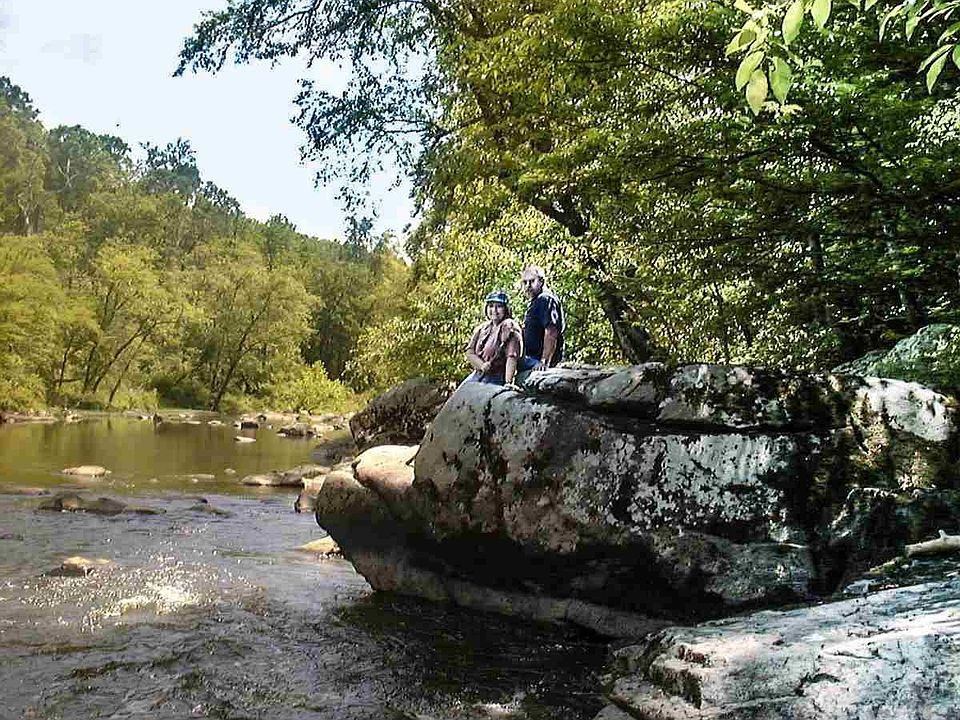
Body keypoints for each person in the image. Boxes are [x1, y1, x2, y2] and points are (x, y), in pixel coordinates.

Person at [462, 289, 523, 386]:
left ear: (506, 309)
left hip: (497, 377)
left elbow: (512, 357)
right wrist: (481, 365)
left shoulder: (509, 326)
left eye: (499, 306)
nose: (494, 310)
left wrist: (508, 382)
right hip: (479, 375)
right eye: (491, 306)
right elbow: (470, 351)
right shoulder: (482, 328)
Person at [518, 265, 565, 376]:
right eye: (525, 282)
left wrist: (544, 361)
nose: (528, 286)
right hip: (530, 358)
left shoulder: (545, 299)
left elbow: (551, 332)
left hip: (537, 361)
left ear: (541, 282)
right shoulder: (535, 301)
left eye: (532, 281)